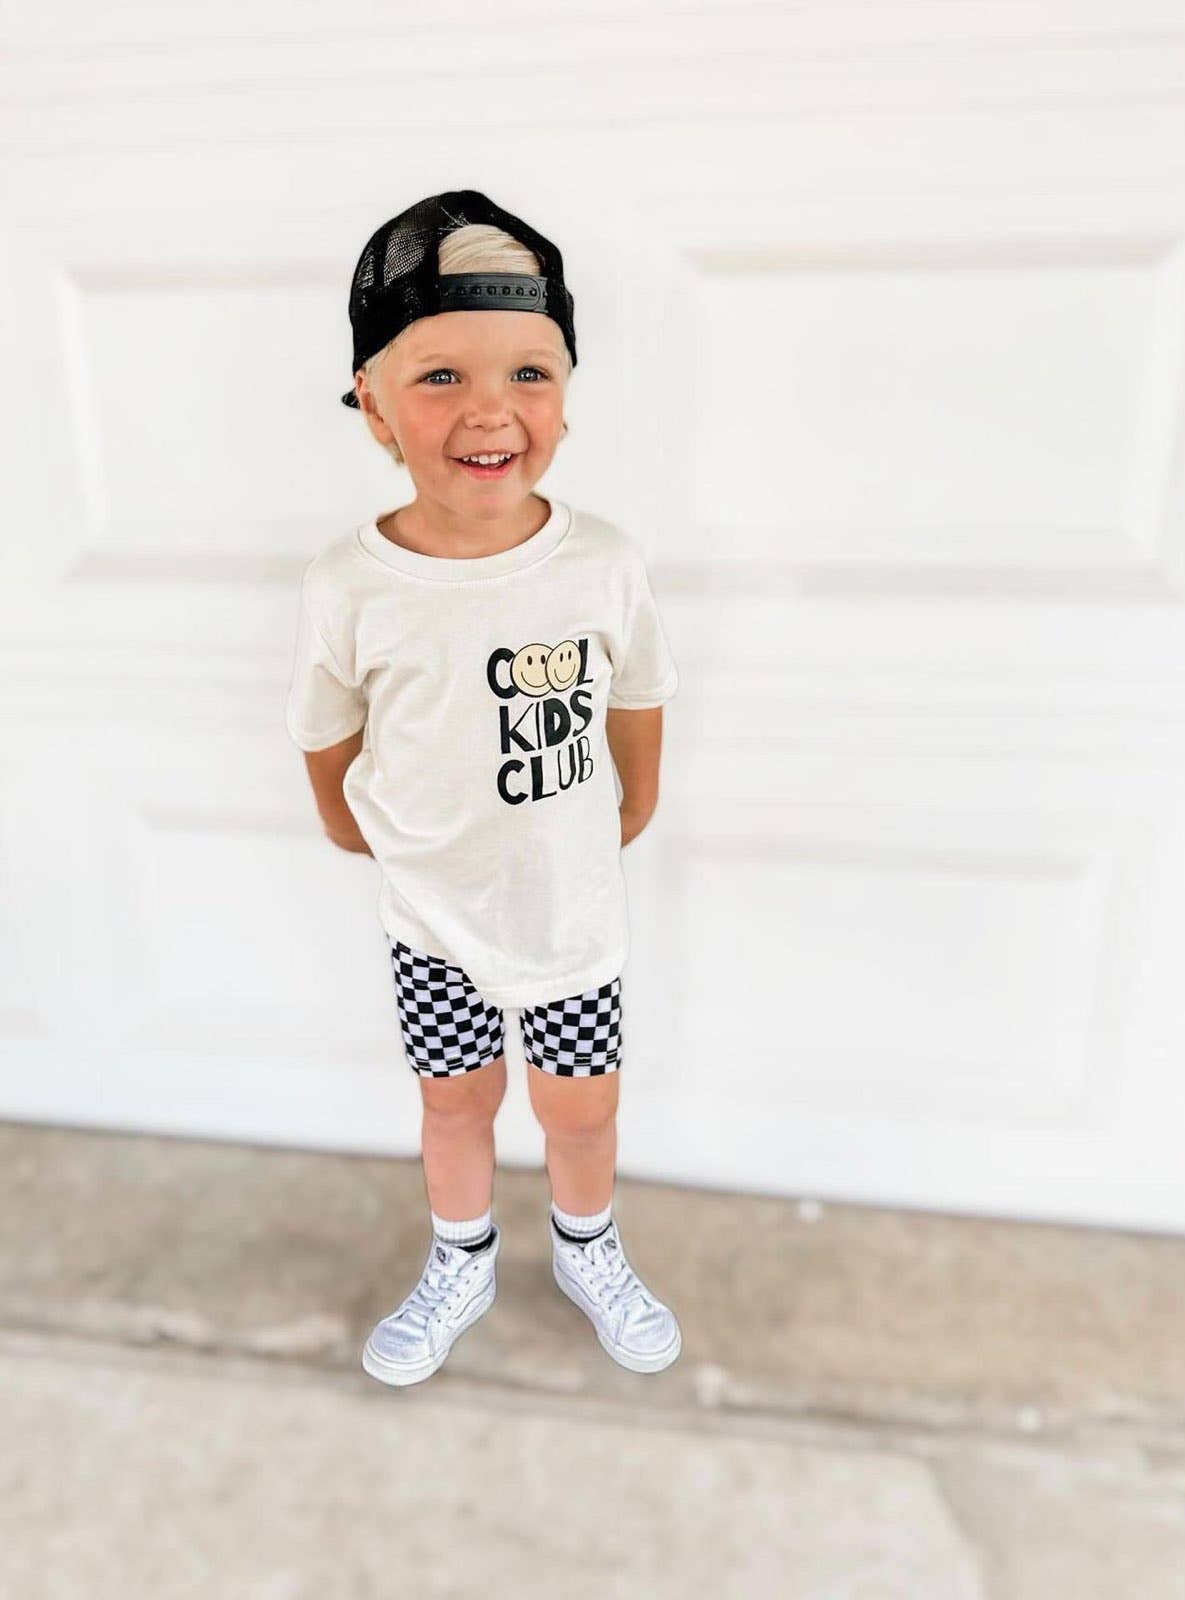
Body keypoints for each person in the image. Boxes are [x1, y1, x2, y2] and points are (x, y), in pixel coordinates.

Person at [284, 190, 682, 1387]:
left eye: (529, 372)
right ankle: (461, 1256)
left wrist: (627, 812)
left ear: (566, 392)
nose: (491, 408)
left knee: (580, 1110)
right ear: (372, 404)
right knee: (456, 1102)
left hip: (572, 918)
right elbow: (327, 731)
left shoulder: (601, 561)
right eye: (441, 376)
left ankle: (587, 1244)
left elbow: (638, 697)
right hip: (434, 924)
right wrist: (358, 832)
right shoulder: (352, 582)